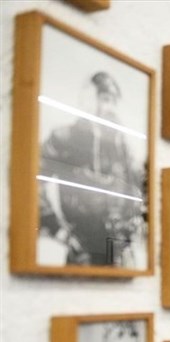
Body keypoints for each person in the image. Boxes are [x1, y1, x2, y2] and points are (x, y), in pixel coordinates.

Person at [38, 71, 143, 267]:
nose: (109, 108)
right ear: (89, 99)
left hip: (119, 249)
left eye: (113, 101)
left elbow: (140, 190)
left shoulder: (123, 147)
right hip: (81, 246)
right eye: (105, 99)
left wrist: (129, 231)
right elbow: (31, 183)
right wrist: (58, 230)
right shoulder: (65, 137)